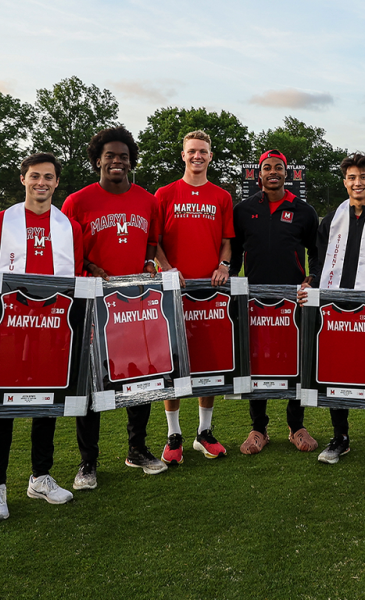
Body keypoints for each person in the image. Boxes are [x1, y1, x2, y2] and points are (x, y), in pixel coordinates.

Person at [0, 153, 82, 521]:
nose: (42, 183)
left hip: (53, 327)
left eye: (49, 177)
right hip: (10, 328)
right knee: (1, 407)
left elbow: (77, 278)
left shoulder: (69, 226)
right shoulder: (0, 221)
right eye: (35, 176)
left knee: (46, 403)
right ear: (23, 179)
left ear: (56, 182)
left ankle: (41, 476)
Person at [61, 126, 167, 488]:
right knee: (92, 384)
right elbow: (69, 252)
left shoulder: (148, 200)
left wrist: (150, 265)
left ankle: (137, 449)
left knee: (142, 377)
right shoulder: (77, 201)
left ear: (130, 161)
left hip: (136, 303)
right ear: (97, 160)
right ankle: (87, 462)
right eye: (110, 155)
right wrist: (89, 267)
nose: (117, 161)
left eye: (123, 156)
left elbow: (152, 243)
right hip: (94, 304)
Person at [304, 152, 365, 465]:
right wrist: (312, 281)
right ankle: (340, 436)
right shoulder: (331, 219)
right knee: (338, 368)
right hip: (334, 307)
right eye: (351, 177)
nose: (357, 182)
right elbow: (318, 261)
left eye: (363, 177)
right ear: (344, 182)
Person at [230, 150, 321, 455]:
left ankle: (296, 426)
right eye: (267, 167)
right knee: (258, 360)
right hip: (254, 301)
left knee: (294, 359)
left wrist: (313, 278)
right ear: (259, 173)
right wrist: (227, 275)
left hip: (292, 302)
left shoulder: (303, 211)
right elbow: (233, 251)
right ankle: (259, 428)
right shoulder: (243, 210)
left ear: (287, 173)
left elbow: (316, 252)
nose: (273, 172)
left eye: (278, 168)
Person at [153, 130, 234, 465]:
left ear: (210, 156)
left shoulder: (222, 196)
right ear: (183, 155)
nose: (197, 156)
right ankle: (174, 435)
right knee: (171, 362)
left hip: (210, 293)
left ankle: (204, 432)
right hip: (175, 290)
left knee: (208, 362)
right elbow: (154, 242)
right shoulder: (165, 193)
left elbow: (227, 240)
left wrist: (224, 264)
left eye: (203, 151)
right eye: (192, 151)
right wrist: (168, 269)